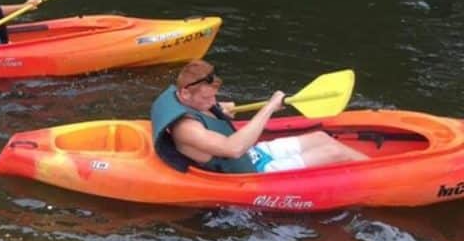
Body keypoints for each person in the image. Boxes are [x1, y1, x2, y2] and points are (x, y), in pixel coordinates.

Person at [150, 59, 368, 173]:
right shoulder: (187, 129)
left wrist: (217, 111)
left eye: (214, 96)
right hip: (256, 172)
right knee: (334, 152)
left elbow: (208, 112)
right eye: (207, 98)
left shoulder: (185, 97)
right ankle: (384, 176)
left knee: (321, 138)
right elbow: (233, 149)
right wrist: (269, 107)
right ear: (185, 92)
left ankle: (374, 167)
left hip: (256, 155)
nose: (213, 102)